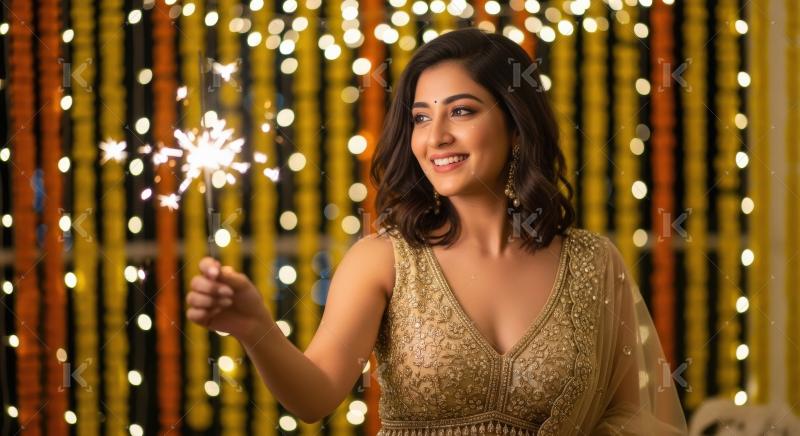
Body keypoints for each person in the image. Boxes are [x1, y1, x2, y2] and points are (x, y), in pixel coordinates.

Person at [186, 28, 688, 435]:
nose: (436, 137)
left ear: (516, 127)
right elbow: (315, 396)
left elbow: (630, 418)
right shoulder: (383, 259)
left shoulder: (592, 263)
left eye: (462, 111)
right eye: (421, 118)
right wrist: (257, 330)